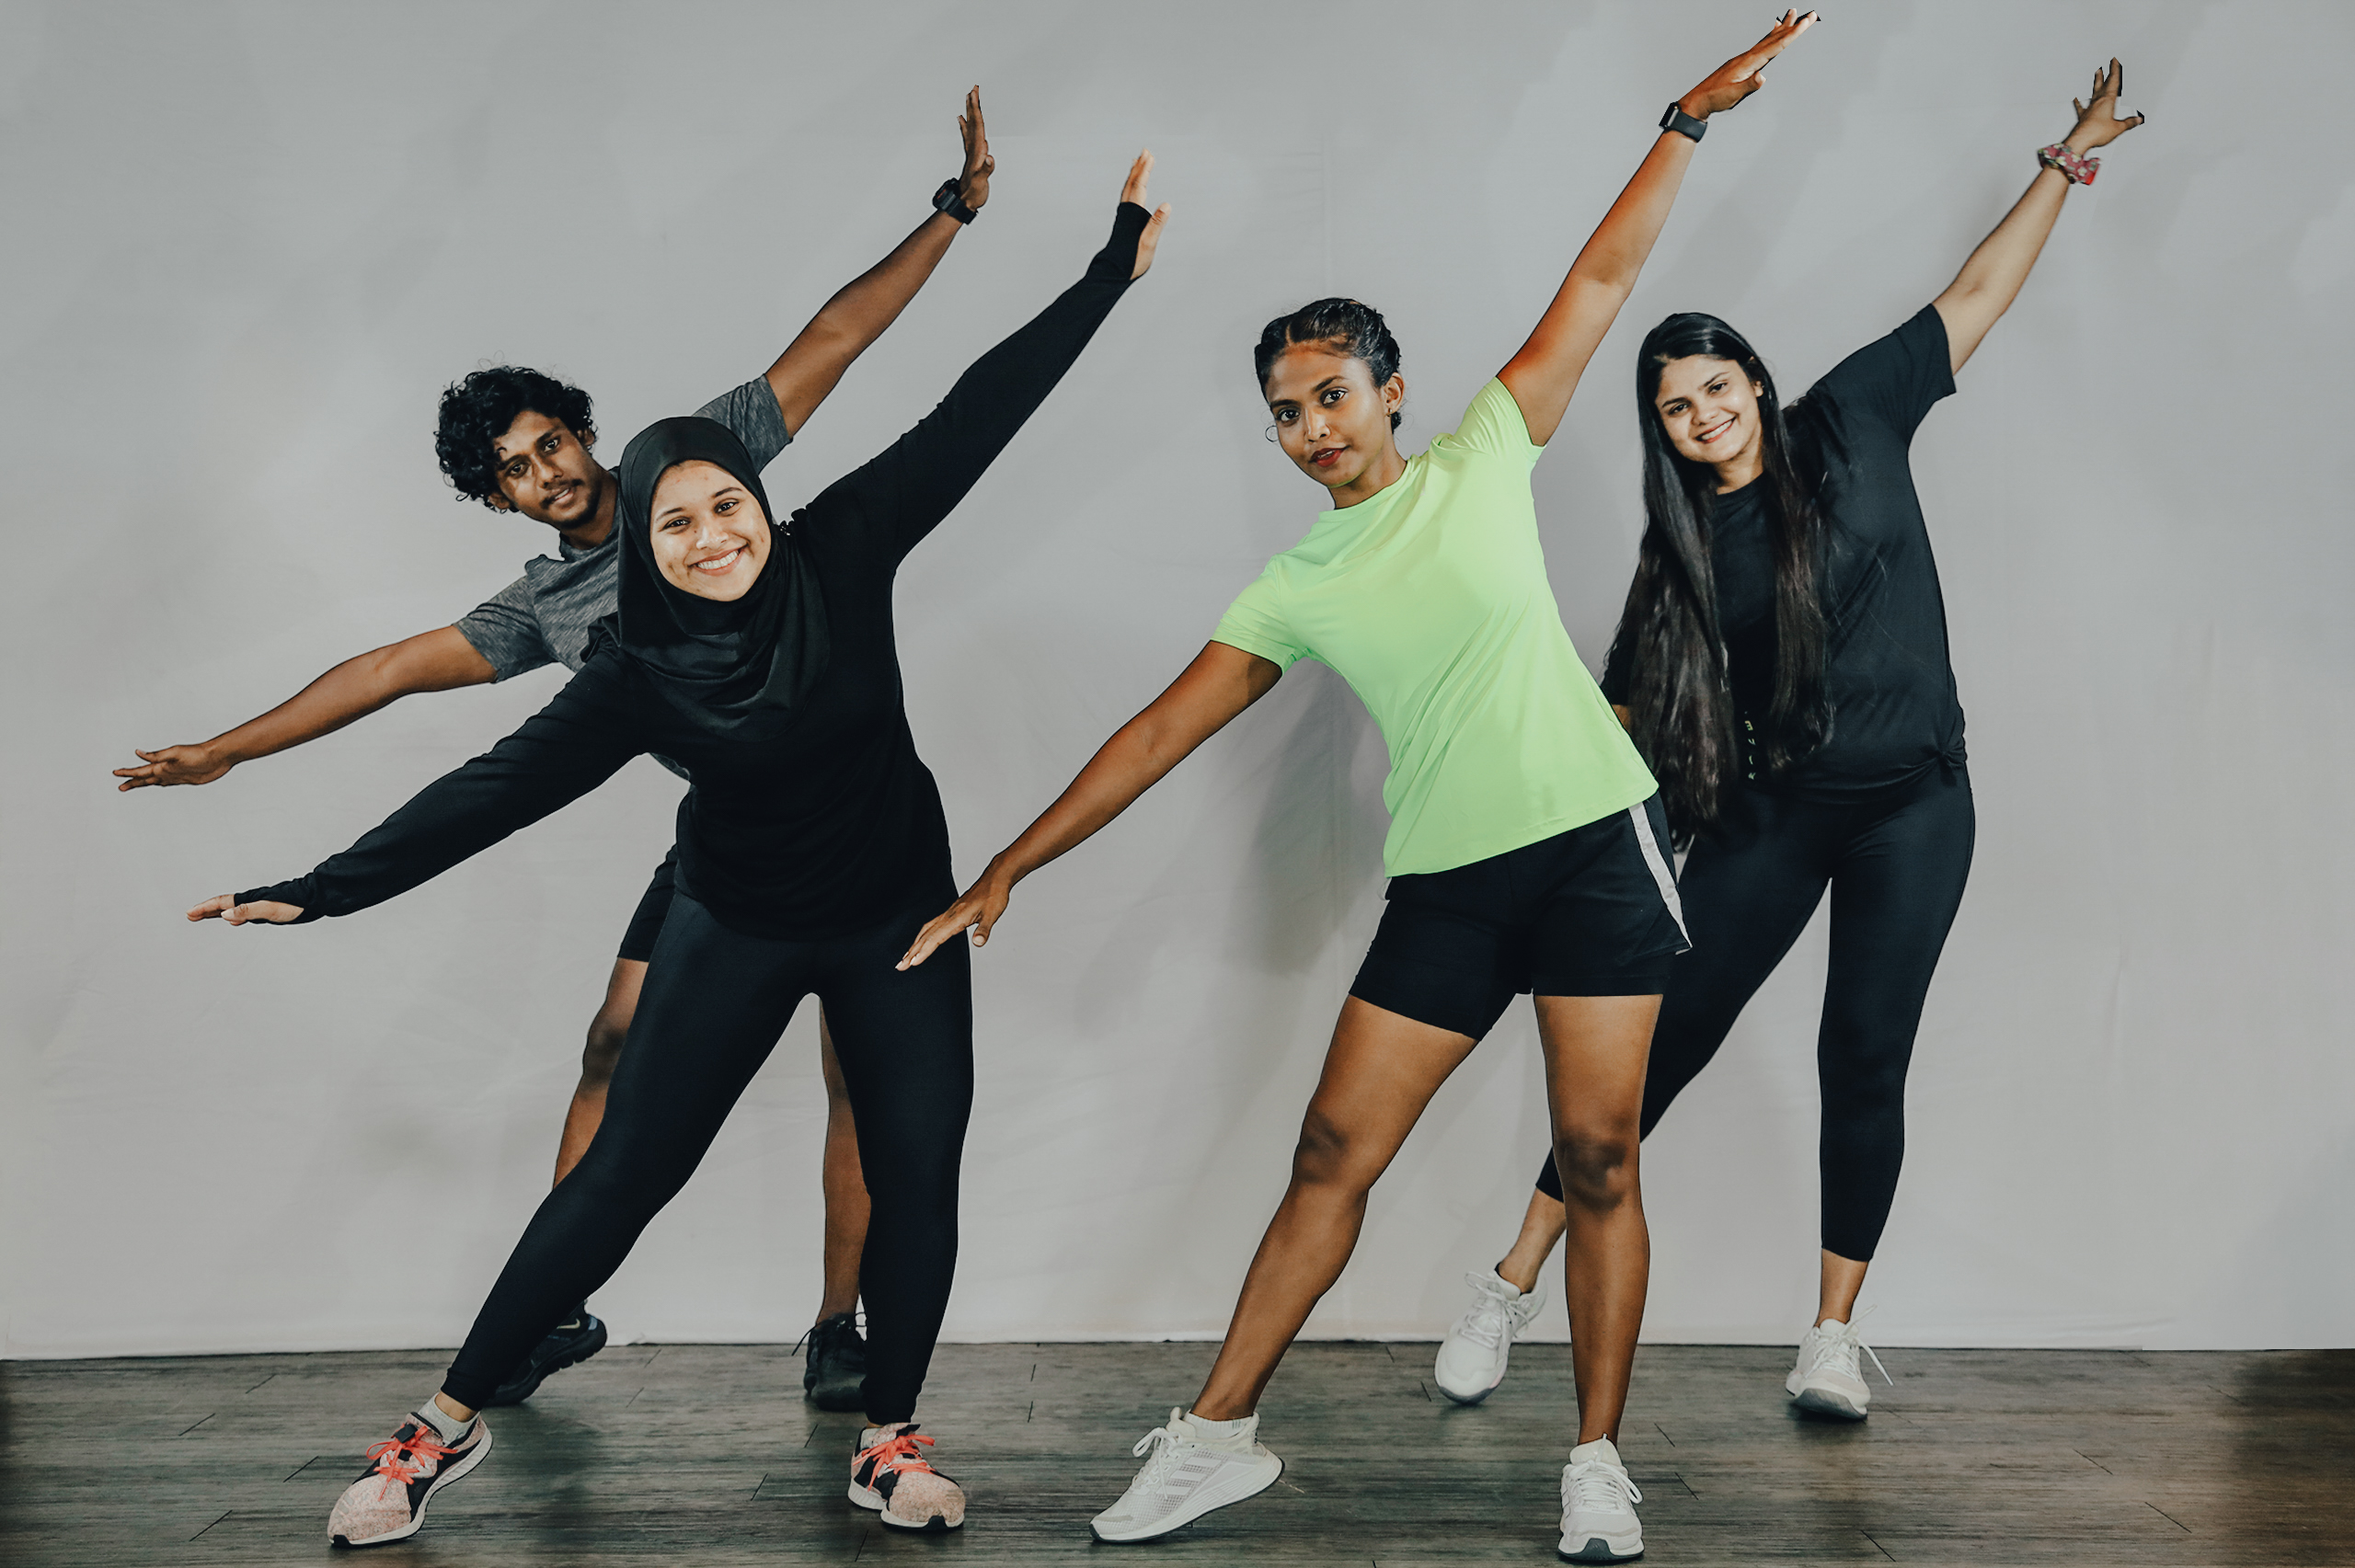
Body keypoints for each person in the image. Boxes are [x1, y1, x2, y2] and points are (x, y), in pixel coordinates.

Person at [897, 17, 1817, 1560]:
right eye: (1286, 410)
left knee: (1601, 1157)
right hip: (1452, 881)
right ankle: (1213, 1437)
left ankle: (1597, 1460)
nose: (1311, 427)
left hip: (1596, 849)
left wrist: (1682, 122)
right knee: (1333, 1150)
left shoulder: (1484, 456)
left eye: (1331, 393)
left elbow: (1599, 284)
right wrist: (1008, 863)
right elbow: (1157, 731)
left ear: (1392, 391)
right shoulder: (1299, 582)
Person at [185, 160, 1170, 1547]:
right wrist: (324, 888)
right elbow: (488, 792)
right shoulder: (630, 671)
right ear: (646, 543)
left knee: (919, 1165)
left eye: (726, 506)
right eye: (679, 523)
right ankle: (439, 1427)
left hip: (896, 912)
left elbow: (976, 411)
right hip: (738, 917)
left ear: (758, 497)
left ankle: (888, 1438)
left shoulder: (842, 547)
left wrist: (1106, 274)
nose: (713, 538)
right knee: (625, 1172)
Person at [123, 88, 1004, 1411]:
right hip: (726, 844)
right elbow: (385, 671)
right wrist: (229, 753)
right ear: (498, 502)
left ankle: (843, 1324)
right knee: (612, 1041)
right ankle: (554, 1309)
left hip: (853, 821)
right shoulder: (540, 611)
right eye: (518, 472)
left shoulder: (690, 474)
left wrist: (951, 215)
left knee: (857, 1072)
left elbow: (835, 337)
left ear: (584, 432)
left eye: (553, 442)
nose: (551, 474)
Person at [1430, 62, 2145, 1426]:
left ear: (1754, 380)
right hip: (1775, 812)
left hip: (1918, 806)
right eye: (1676, 407)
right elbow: (1622, 719)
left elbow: (1977, 293)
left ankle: (1830, 1333)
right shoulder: (1684, 553)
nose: (1705, 415)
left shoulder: (1855, 417)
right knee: (1659, 1048)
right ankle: (1511, 1279)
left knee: (1863, 1054)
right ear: (1662, 429)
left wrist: (2062, 164)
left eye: (1718, 386)